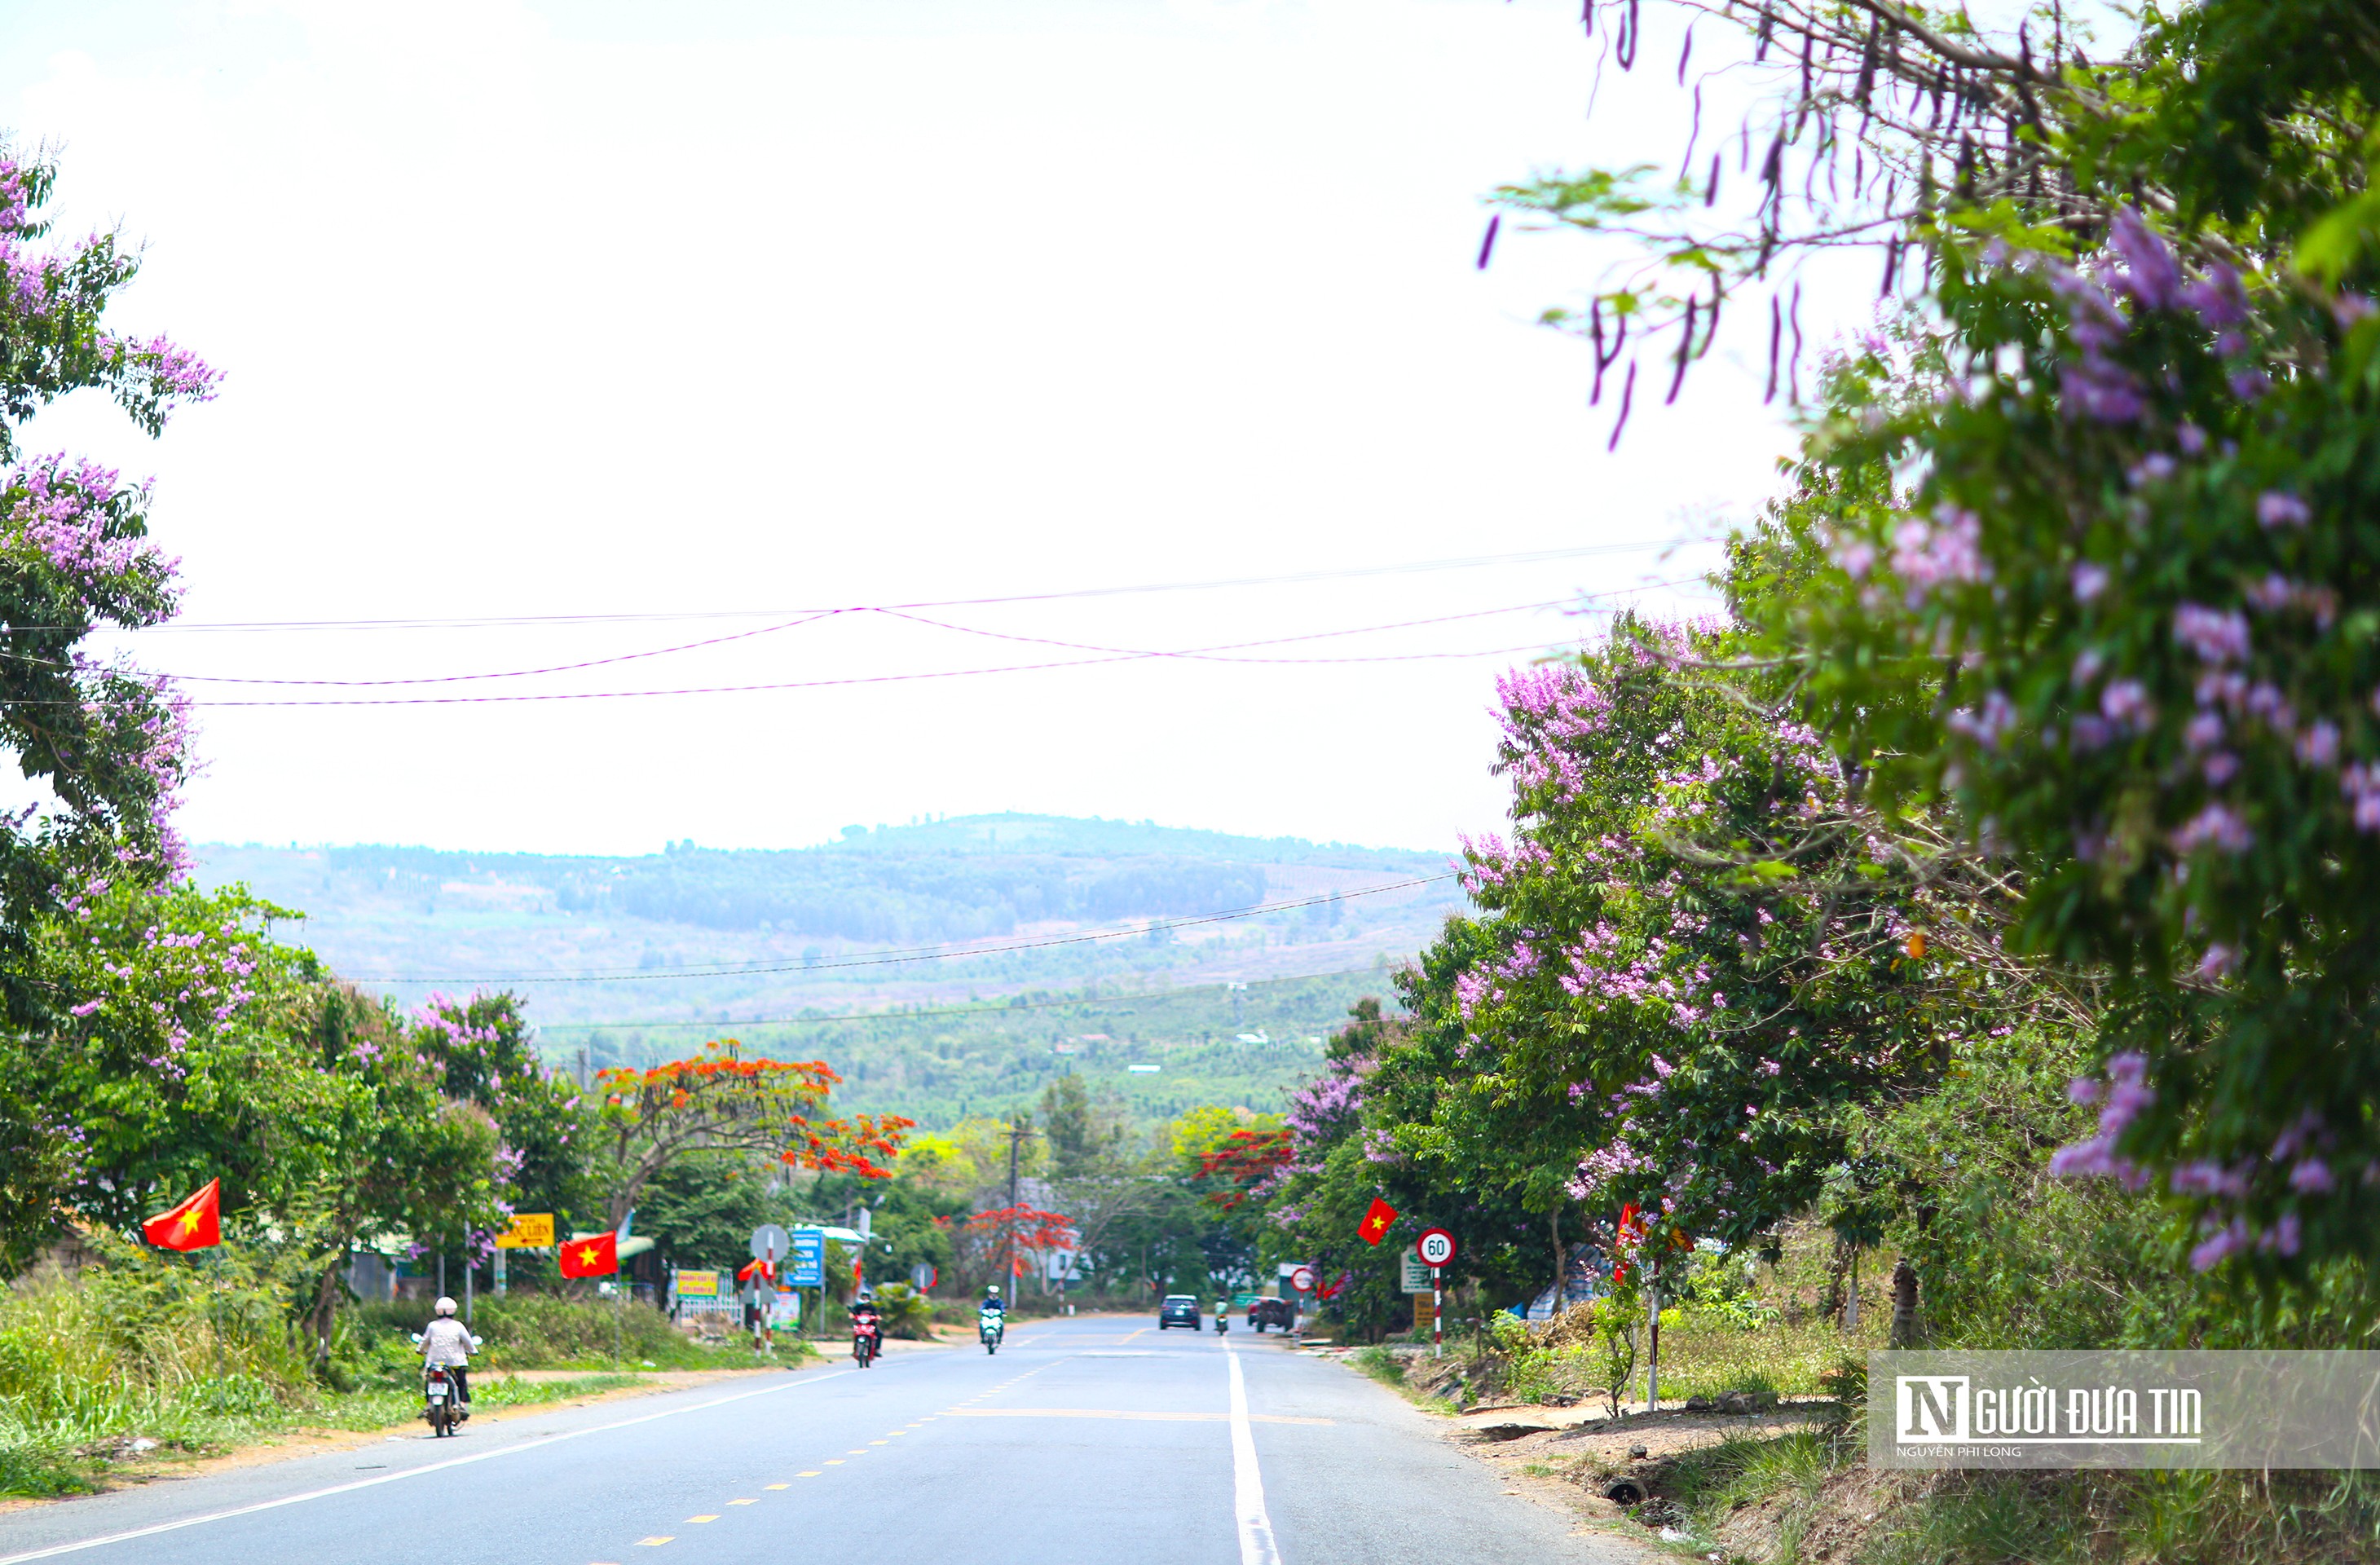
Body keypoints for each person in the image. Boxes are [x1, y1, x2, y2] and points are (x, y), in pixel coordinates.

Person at [420, 1295, 473, 1418]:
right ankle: (461, 1405)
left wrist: (420, 1350)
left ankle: (429, 1404)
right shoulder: (458, 1326)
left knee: (429, 1382)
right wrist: (473, 1351)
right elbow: (469, 1343)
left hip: (434, 1363)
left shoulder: (432, 1326)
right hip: (456, 1362)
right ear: (454, 1310)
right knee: (462, 1382)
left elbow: (423, 1342)